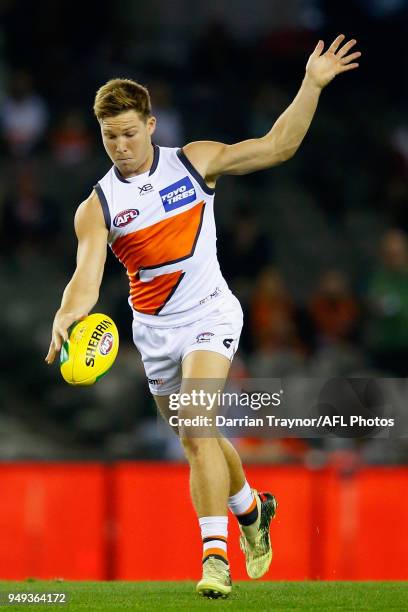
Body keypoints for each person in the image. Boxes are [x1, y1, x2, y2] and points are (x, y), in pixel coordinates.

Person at [45, 34, 360, 598]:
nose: (118, 144)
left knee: (195, 425)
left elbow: (276, 146)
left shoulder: (194, 162)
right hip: (154, 333)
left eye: (128, 132)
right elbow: (86, 276)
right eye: (108, 135)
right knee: (198, 438)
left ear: (150, 124)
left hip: (212, 313)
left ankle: (215, 558)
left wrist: (312, 84)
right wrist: (66, 315)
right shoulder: (96, 207)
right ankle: (252, 511)